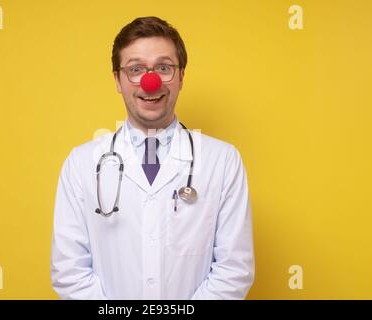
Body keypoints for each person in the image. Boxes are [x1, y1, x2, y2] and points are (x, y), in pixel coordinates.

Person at [50, 16, 254, 299]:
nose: (150, 81)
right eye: (136, 69)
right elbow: (69, 272)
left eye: (163, 67)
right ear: (118, 80)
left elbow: (234, 269)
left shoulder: (223, 161)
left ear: (181, 76)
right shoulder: (81, 164)